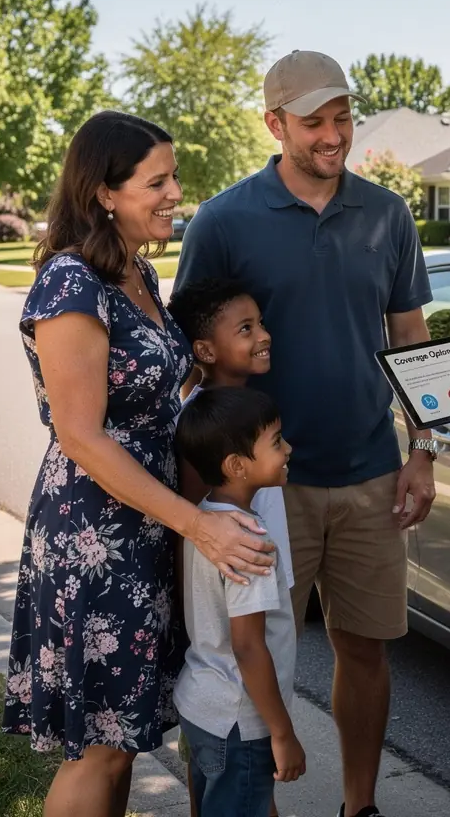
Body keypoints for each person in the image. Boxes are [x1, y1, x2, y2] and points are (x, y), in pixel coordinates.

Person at [172, 50, 436, 817]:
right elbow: (191, 357)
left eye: (343, 117)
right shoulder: (224, 221)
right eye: (314, 121)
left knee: (365, 649)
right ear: (274, 123)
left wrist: (423, 451)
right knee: (242, 658)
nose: (333, 135)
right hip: (256, 490)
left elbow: (413, 341)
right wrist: (201, 504)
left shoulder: (388, 214)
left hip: (367, 473)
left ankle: (360, 805)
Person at [1, 110, 277, 817]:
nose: (175, 192)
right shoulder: (72, 284)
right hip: (98, 535)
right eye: (156, 181)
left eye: (173, 176)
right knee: (98, 747)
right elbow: (82, 437)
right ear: (104, 193)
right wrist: (200, 525)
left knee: (122, 737)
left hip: (150, 527)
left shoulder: (140, 275)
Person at [168, 277, 293, 817]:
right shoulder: (240, 535)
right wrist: (284, 734)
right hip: (240, 697)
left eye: (261, 322)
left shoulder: (230, 416)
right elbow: (247, 645)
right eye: (246, 328)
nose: (263, 335)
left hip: (206, 693)